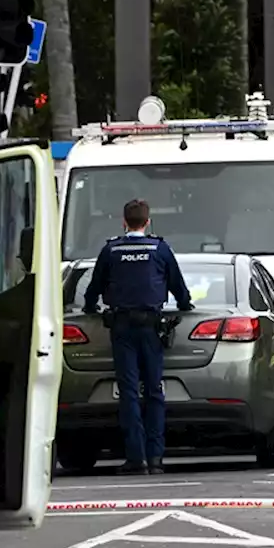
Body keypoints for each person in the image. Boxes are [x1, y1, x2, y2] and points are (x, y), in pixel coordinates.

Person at [83, 199, 193, 475]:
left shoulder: (111, 250)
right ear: (147, 222)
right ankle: (156, 458)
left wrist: (89, 308)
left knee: (129, 393)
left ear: (124, 222)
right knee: (155, 391)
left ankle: (136, 458)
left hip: (121, 328)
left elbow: (94, 288)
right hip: (151, 327)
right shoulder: (160, 249)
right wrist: (184, 305)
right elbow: (179, 288)